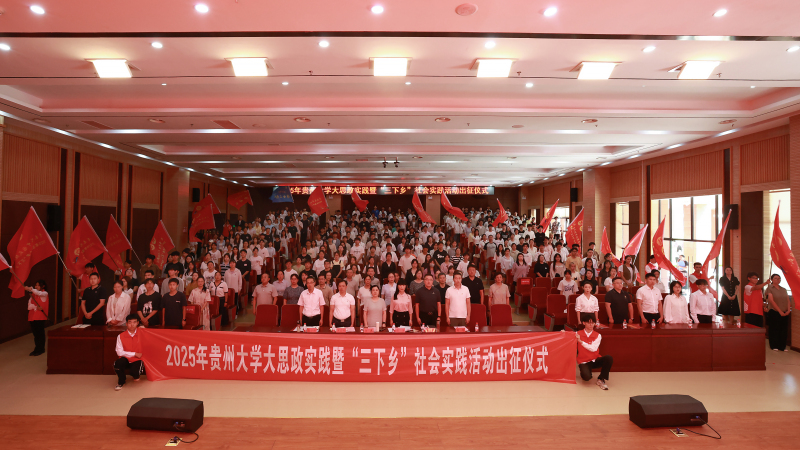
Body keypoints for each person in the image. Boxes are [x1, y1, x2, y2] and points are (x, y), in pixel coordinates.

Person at [576, 316, 613, 390]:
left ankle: (601, 379)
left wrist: (581, 342)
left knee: (608, 358)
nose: (591, 325)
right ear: (584, 323)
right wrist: (563, 333)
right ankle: (585, 370)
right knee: (586, 378)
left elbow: (593, 348)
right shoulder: (578, 333)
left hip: (595, 359)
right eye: (589, 323)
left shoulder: (598, 335)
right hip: (583, 361)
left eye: (593, 323)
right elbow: (567, 337)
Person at [113, 314, 144, 391]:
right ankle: (121, 381)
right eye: (130, 322)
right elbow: (119, 352)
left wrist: (145, 329)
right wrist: (134, 354)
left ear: (137, 323)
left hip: (138, 359)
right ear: (126, 324)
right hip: (125, 358)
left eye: (134, 322)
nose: (132, 324)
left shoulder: (142, 333)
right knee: (117, 364)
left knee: (135, 374)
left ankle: (136, 375)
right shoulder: (121, 336)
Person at [765, 274, 792, 351]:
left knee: (783, 329)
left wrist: (788, 310)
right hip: (774, 311)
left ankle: (782, 346)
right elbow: (771, 300)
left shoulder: (783, 289)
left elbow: (788, 300)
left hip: (785, 311)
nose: (778, 280)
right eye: (776, 278)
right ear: (772, 279)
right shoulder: (770, 288)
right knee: (774, 329)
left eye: (779, 278)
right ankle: (774, 345)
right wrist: (779, 311)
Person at [25, 280, 48, 356]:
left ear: (43, 286)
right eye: (36, 285)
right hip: (32, 317)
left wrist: (31, 289)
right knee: (35, 334)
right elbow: (29, 306)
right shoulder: (33, 295)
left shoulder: (45, 293)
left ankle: (41, 349)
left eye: (38, 285)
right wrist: (35, 307)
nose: (36, 287)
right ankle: (37, 348)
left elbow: (39, 293)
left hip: (40, 317)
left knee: (40, 333)